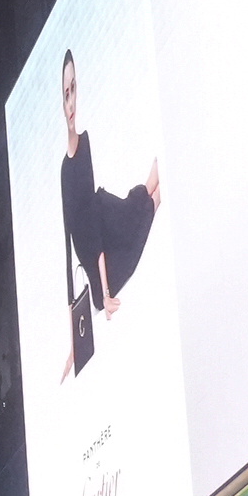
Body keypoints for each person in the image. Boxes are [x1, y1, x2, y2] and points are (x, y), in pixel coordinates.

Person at [54, 47, 160, 376]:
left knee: (148, 200)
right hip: (104, 244)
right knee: (149, 201)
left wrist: (108, 293)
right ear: (62, 99)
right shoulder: (67, 165)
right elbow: (76, 238)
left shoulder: (80, 148)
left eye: (74, 90)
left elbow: (91, 238)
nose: (71, 102)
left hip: (107, 235)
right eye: (66, 92)